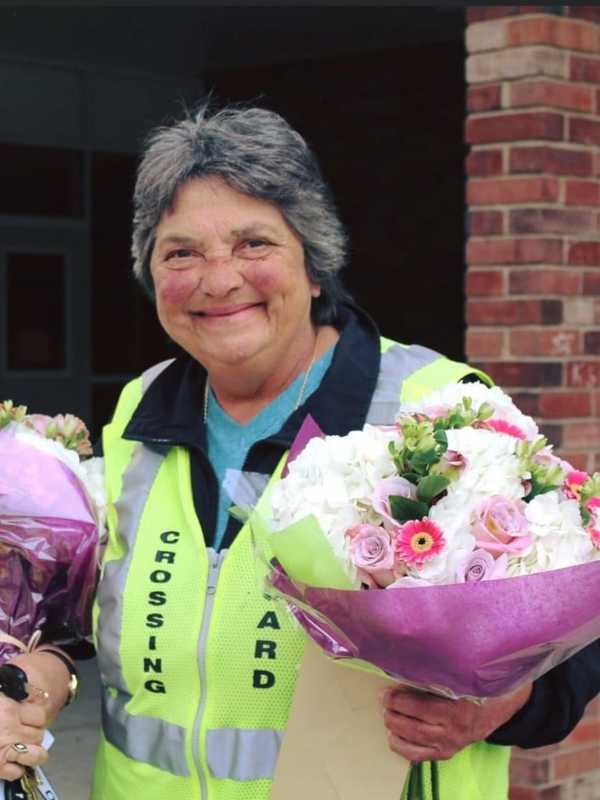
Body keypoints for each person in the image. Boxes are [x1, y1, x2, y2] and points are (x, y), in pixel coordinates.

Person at [1, 102, 599, 800]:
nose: (218, 279)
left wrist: (507, 707)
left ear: (315, 266)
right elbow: (88, 610)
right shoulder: (140, 408)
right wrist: (42, 671)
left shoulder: (439, 411)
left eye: (254, 243)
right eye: (181, 252)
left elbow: (573, 636)